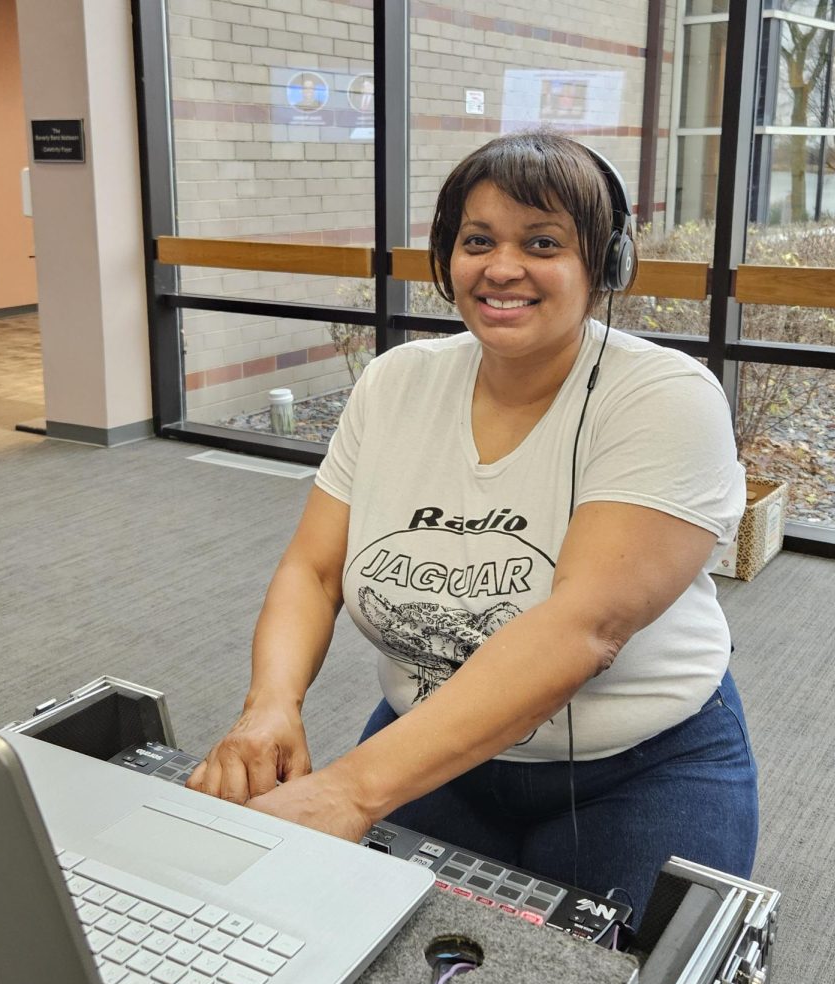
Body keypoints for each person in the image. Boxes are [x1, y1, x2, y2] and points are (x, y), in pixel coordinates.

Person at [187, 130, 758, 923]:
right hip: (429, 746)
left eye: (543, 242)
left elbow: (581, 628)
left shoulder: (663, 397)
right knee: (368, 961)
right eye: (477, 240)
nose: (501, 267)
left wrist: (351, 790)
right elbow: (313, 571)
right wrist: (270, 706)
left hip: (641, 766)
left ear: (605, 263)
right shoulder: (395, 383)